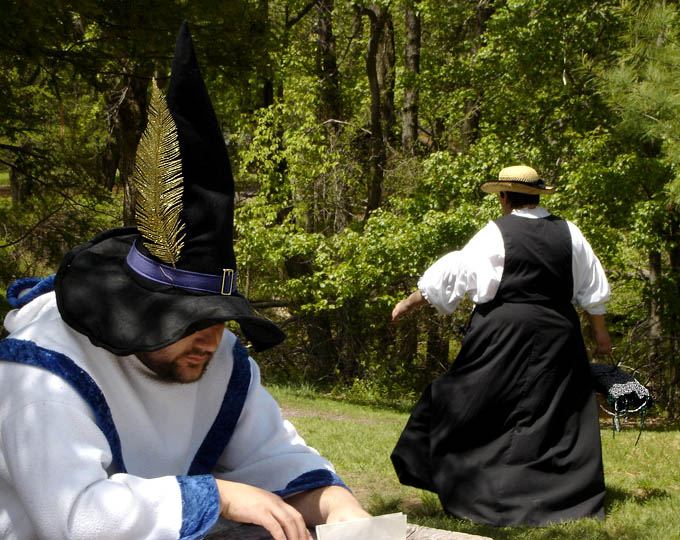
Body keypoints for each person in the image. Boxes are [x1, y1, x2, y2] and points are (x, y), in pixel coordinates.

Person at [0, 23, 368, 540]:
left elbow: (272, 454)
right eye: (193, 319)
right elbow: (74, 518)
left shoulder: (217, 359)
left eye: (219, 318)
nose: (213, 338)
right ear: (143, 310)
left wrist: (337, 505)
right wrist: (213, 493)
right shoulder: (44, 372)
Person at [390, 165, 611, 527]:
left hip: (503, 331)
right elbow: (592, 288)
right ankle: (554, 496)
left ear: (504, 197)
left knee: (466, 402)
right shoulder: (569, 232)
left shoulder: (495, 233)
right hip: (558, 333)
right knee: (552, 414)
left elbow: (455, 275)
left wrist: (410, 302)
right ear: (538, 195)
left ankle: (479, 487)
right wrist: (601, 337)